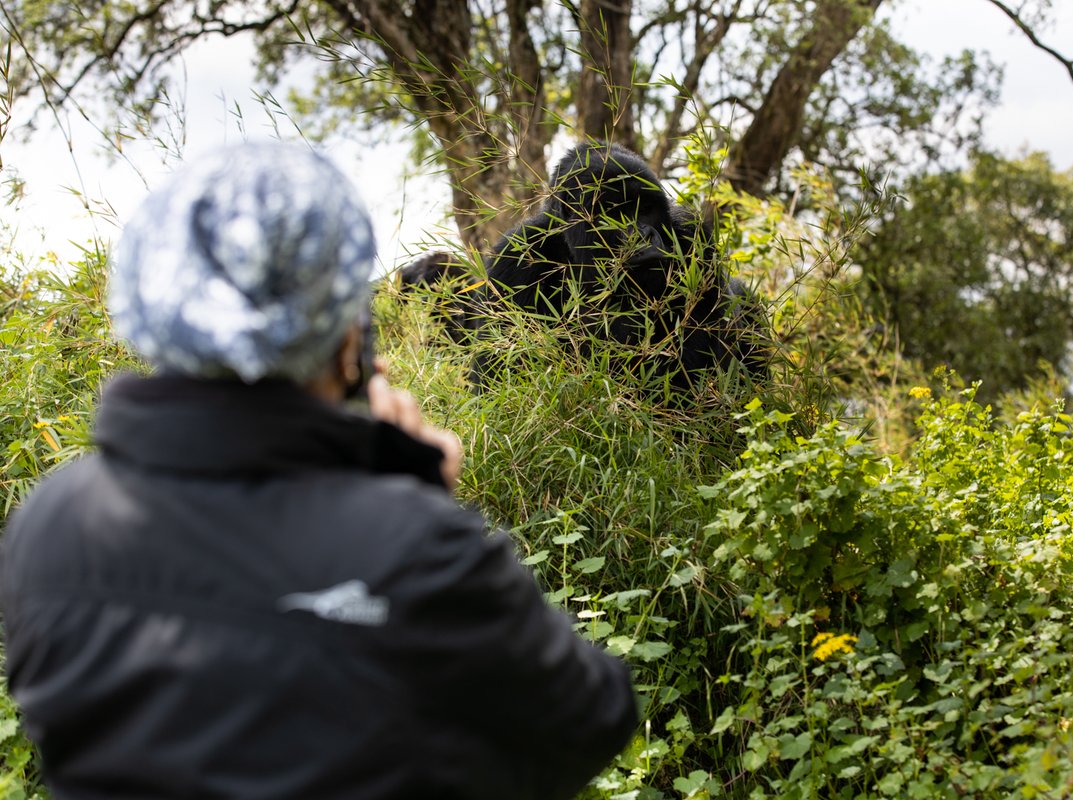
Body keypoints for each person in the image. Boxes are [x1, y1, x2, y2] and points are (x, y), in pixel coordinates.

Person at [0, 142, 638, 799]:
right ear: (347, 339)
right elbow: (588, 720)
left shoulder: (47, 524)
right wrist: (418, 500)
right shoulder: (410, 546)